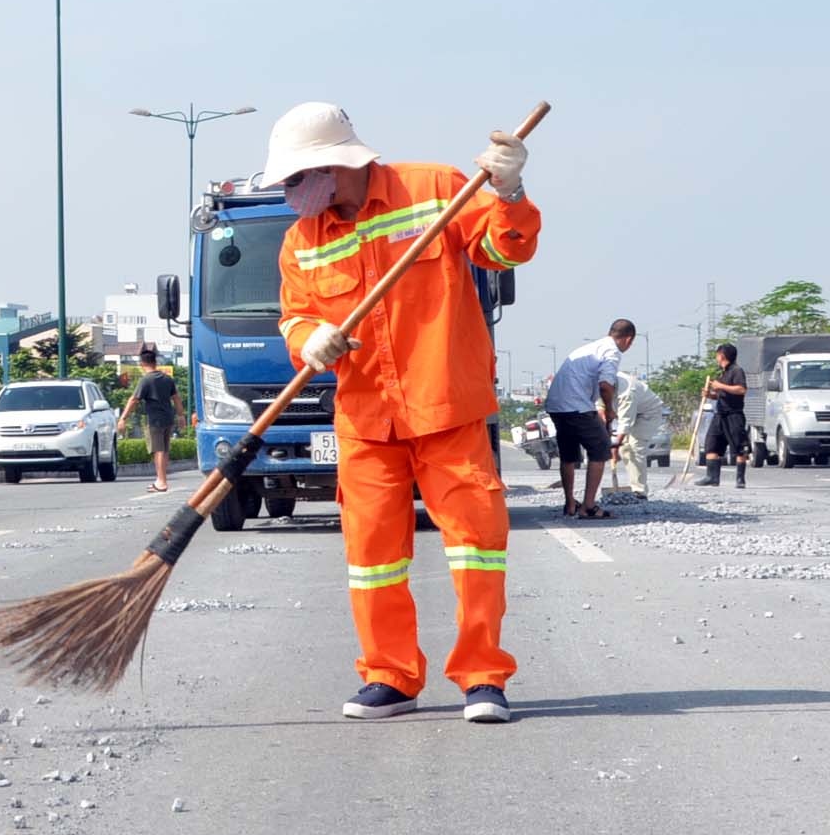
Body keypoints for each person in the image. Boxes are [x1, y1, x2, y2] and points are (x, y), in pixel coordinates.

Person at [269, 100, 541, 724]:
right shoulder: (300, 241)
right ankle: (390, 676)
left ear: (332, 167)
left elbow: (504, 254)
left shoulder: (438, 189)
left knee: (476, 546)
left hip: (446, 404)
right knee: (371, 557)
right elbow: (295, 314)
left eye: (292, 179)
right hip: (366, 419)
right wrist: (309, 337)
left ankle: (482, 678)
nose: (288, 193)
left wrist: (509, 189)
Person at [544, 321, 637, 519]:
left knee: (569, 454)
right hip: (576, 406)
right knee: (601, 448)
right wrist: (610, 410)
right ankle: (588, 506)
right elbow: (605, 385)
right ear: (628, 339)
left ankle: (570, 504)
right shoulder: (612, 352)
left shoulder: (590, 348)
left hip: (556, 405)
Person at [116, 347, 185, 492]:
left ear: (142, 364)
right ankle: (161, 479)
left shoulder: (146, 380)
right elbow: (176, 398)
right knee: (164, 450)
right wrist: (181, 416)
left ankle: (161, 482)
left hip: (155, 420)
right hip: (168, 418)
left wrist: (123, 418)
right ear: (155, 362)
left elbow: (134, 399)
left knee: (158, 450)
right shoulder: (167, 378)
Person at [695, 342, 748, 487]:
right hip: (719, 414)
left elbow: (741, 390)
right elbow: (722, 395)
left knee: (739, 447)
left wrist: (720, 386)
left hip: (734, 415)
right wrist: (710, 395)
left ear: (722, 355)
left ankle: (740, 479)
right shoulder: (722, 373)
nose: (716, 358)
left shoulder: (737, 371)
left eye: (717, 355)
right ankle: (712, 477)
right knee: (711, 445)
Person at [612, 370, 665, 500]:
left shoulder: (627, 392)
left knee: (636, 448)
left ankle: (639, 491)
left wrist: (614, 447)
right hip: (630, 414)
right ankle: (633, 485)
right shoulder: (600, 384)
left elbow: (625, 423)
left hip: (648, 414)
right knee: (625, 449)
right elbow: (602, 412)